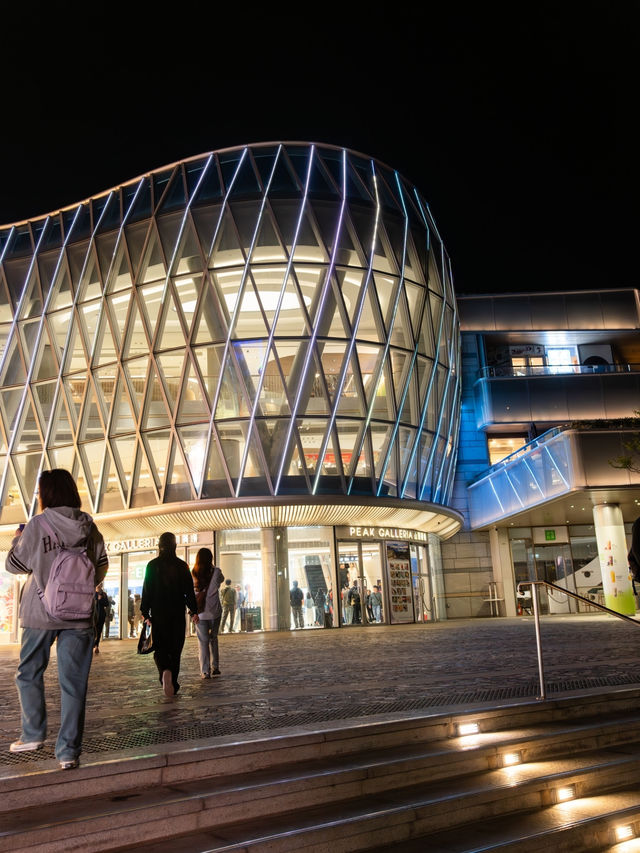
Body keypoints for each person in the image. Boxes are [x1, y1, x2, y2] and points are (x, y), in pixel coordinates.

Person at [6, 468, 108, 770]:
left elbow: (14, 565)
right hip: (79, 616)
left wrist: (18, 539)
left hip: (40, 612)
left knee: (28, 673)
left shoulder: (38, 525)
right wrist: (79, 590)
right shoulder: (89, 526)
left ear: (46, 494)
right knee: (74, 684)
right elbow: (100, 566)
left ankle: (34, 733)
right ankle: (67, 752)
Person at [141, 532, 199, 697]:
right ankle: (172, 681)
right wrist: (194, 610)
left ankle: (165, 671)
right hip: (177, 615)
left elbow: (147, 591)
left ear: (160, 545)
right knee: (175, 649)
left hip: (158, 615)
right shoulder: (182, 566)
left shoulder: (152, 566)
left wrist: (145, 613)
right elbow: (189, 592)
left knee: (160, 648)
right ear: (175, 546)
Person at [192, 548, 224, 678]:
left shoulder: (193, 573)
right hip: (214, 611)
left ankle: (205, 671)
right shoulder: (216, 572)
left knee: (203, 641)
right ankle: (215, 666)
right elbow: (221, 580)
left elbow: (190, 593)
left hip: (199, 613)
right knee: (213, 638)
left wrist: (192, 611)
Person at [93, 585, 110, 652]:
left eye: (100, 586)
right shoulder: (92, 593)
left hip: (101, 616)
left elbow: (106, 604)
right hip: (93, 616)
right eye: (97, 586)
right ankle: (92, 645)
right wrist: (97, 599)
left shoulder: (104, 594)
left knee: (99, 631)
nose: (99, 587)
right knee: (93, 631)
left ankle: (96, 645)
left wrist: (100, 600)